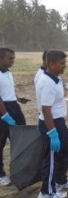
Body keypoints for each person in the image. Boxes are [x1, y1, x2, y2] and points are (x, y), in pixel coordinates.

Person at [35, 50, 68, 198]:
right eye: (62, 63)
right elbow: (46, 110)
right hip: (51, 123)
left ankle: (60, 180)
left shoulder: (56, 79)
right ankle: (47, 192)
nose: (65, 66)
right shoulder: (46, 82)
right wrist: (52, 133)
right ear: (51, 64)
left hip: (59, 121)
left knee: (66, 150)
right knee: (51, 158)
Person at [0, 48, 28, 186]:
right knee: (1, 142)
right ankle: (0, 174)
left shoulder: (8, 73)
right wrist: (5, 115)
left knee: (20, 139)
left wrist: (17, 98)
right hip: (3, 110)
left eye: (13, 58)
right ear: (1, 58)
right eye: (10, 58)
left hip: (13, 107)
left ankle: (20, 170)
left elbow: (6, 91)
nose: (13, 60)